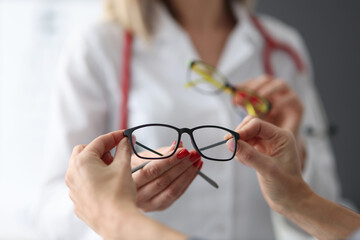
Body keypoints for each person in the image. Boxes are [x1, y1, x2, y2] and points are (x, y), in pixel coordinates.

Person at [37, 0, 341, 239]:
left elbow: (329, 218)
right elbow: (51, 212)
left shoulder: (282, 50)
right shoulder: (99, 46)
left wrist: (295, 157)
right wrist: (110, 203)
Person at [65, 116, 360, 240]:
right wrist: (299, 199)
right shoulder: (97, 44)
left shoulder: (282, 44)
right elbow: (51, 205)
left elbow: (329, 185)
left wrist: (116, 217)